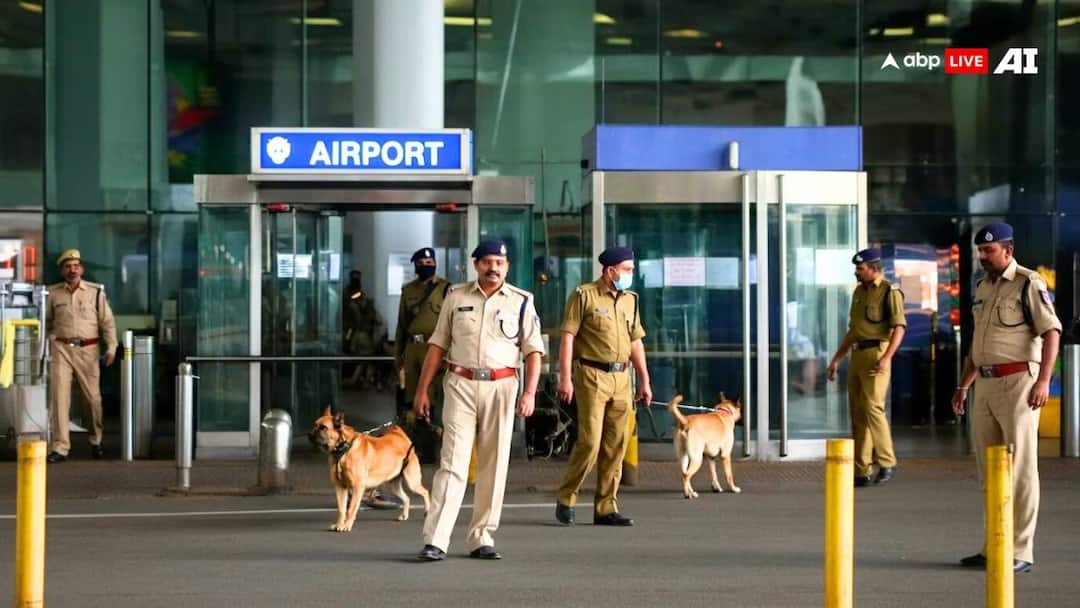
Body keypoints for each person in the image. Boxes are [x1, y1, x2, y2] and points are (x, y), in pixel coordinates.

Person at [414, 239, 544, 561]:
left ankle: (481, 536)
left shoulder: (521, 301)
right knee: (452, 463)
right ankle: (436, 540)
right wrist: (421, 390)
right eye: (487, 262)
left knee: (494, 464)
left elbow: (533, 351)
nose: (493, 268)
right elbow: (437, 346)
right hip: (460, 383)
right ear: (476, 265)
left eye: (499, 263)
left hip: (502, 387)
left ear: (507, 267)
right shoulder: (455, 297)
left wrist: (529, 393)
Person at [952, 222, 1060, 574]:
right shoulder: (982, 287)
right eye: (981, 251)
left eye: (989, 250)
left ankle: (1021, 550)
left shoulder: (1030, 283)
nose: (983, 256)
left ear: (1008, 250)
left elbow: (1052, 331)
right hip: (984, 384)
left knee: (1022, 470)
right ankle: (994, 545)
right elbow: (978, 345)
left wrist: (1044, 380)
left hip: (1019, 384)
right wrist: (963, 385)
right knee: (989, 469)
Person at [554, 246, 652, 527]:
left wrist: (644, 380)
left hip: (622, 378)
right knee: (590, 442)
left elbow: (636, 342)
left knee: (616, 445)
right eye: (627, 270)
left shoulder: (630, 300)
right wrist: (565, 378)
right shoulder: (584, 295)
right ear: (610, 271)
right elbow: (568, 338)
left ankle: (606, 507)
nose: (631, 275)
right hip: (591, 375)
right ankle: (567, 496)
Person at [826, 247, 906, 487]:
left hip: (877, 353)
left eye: (860, 269)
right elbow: (853, 332)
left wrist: (887, 357)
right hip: (857, 354)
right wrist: (836, 359)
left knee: (873, 407)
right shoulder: (859, 292)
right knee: (858, 413)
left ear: (874, 269)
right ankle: (861, 470)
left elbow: (900, 327)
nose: (856, 273)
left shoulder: (889, 292)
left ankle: (887, 461)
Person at [46, 249, 118, 463]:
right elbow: (47, 321)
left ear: (82, 269)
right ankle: (60, 448)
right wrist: (49, 340)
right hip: (61, 349)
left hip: (89, 351)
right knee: (59, 399)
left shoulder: (96, 293)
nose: (72, 269)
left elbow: (108, 323)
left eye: (76, 265)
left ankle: (96, 440)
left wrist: (111, 348)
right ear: (62, 270)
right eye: (68, 266)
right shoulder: (53, 293)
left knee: (93, 399)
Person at [394, 247, 451, 459]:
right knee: (412, 399)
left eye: (430, 263)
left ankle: (435, 450)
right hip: (413, 350)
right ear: (415, 265)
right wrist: (398, 355)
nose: (426, 266)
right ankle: (414, 449)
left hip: (435, 350)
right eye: (422, 263)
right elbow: (401, 325)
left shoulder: (446, 289)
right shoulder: (408, 291)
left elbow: (453, 325)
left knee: (435, 398)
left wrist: (450, 355)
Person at [344, 270, 387, 390]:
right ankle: (360, 379)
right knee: (366, 359)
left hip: (359, 335)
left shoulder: (356, 299)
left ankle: (362, 379)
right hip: (358, 335)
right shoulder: (352, 299)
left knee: (366, 360)